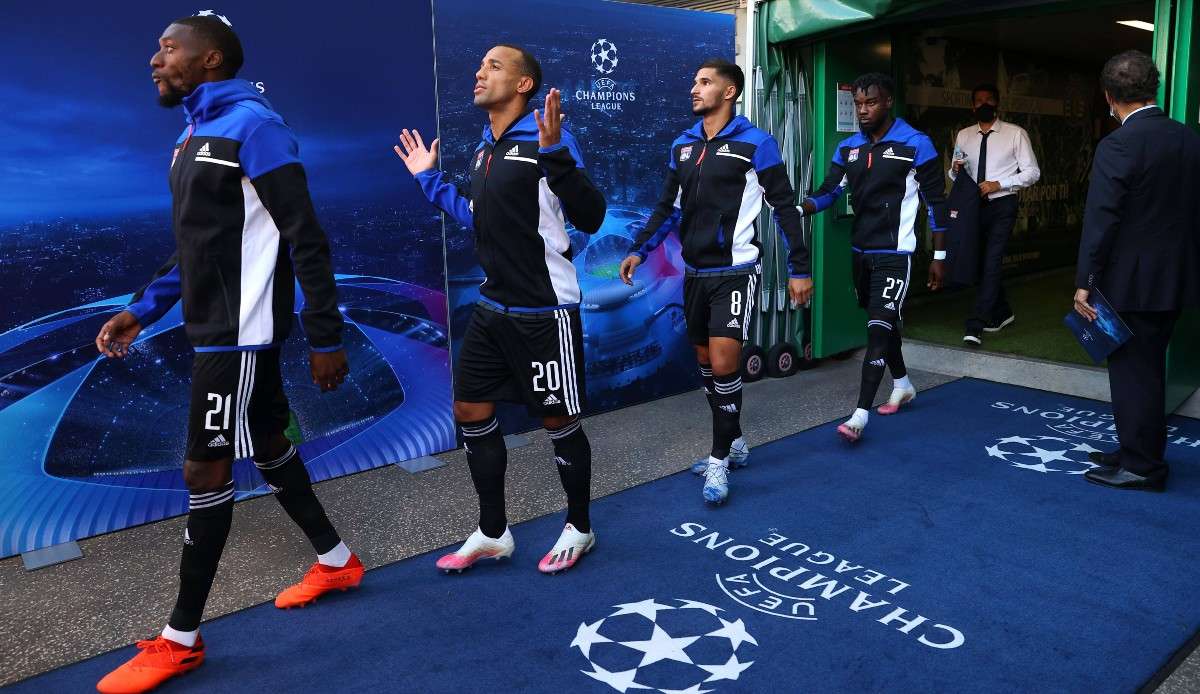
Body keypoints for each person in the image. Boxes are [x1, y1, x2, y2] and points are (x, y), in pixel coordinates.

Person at [94, 14, 360, 693]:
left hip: (241, 334)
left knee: (204, 470)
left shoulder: (256, 127)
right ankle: (336, 560)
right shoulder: (189, 135)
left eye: (168, 47)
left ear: (210, 59)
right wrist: (140, 308)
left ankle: (181, 640)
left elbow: (307, 236)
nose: (155, 58)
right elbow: (199, 247)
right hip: (218, 329)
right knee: (268, 438)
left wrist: (326, 335)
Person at [394, 45, 606, 572]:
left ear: (523, 84)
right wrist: (427, 177)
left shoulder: (548, 140)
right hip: (494, 308)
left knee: (558, 419)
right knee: (470, 411)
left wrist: (557, 155)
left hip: (544, 309)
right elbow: (475, 216)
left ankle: (579, 528)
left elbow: (593, 215)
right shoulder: (485, 147)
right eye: (480, 65)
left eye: (494, 66)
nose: (479, 73)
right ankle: (493, 532)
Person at [618, 58, 811, 505]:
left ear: (729, 92)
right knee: (708, 366)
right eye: (694, 80)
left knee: (725, 364)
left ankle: (720, 459)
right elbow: (666, 208)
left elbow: (784, 208)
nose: (694, 88)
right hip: (696, 275)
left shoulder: (756, 144)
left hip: (736, 273)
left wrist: (799, 269)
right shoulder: (683, 146)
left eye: (704, 82)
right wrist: (638, 249)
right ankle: (736, 439)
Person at [1074, 50, 1200, 492]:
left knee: (1134, 373)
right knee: (1146, 369)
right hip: (1176, 280)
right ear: (1155, 89)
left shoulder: (1118, 144)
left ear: (1109, 96)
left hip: (1129, 284)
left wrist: (1085, 283)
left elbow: (1101, 219)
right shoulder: (1189, 139)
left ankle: (1143, 466)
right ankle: (1134, 449)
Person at [799, 73, 948, 443]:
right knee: (883, 323)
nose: (863, 111)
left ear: (888, 103)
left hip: (896, 255)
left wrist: (940, 256)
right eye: (858, 104)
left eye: (871, 103)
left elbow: (936, 205)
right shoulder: (848, 148)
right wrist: (801, 208)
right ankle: (903, 384)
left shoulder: (917, 144)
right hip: (860, 254)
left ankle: (860, 415)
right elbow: (829, 192)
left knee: (878, 328)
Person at [949, 84, 1041, 345]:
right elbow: (954, 175)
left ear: (997, 105)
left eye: (989, 100)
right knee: (977, 261)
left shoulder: (1015, 134)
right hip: (972, 206)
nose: (984, 104)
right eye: (979, 101)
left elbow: (1032, 172)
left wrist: (999, 184)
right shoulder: (964, 135)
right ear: (972, 106)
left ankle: (976, 323)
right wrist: (955, 170)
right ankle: (1002, 312)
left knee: (992, 261)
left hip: (1002, 205)